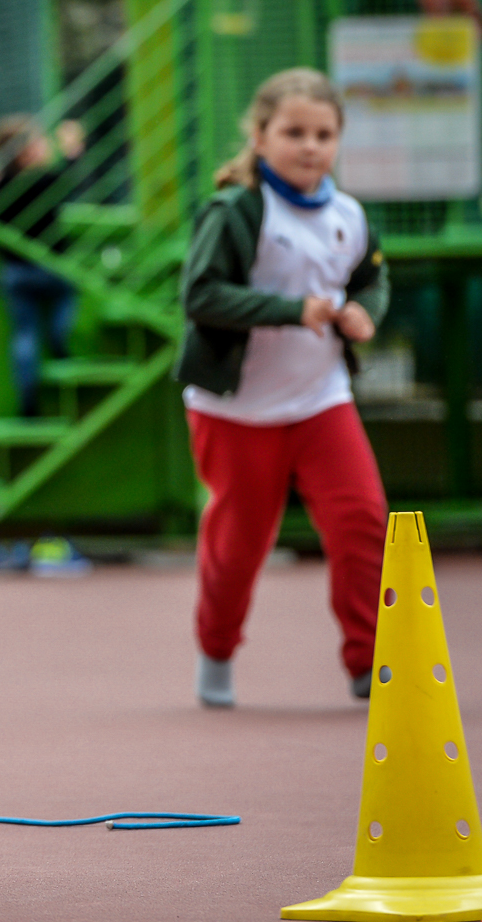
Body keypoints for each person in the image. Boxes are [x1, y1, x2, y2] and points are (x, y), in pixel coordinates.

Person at [174, 68, 390, 709]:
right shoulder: (237, 210)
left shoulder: (348, 214)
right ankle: (215, 651)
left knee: (363, 521)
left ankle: (368, 664)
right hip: (237, 410)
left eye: (324, 134)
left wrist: (363, 312)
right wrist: (292, 309)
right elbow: (202, 295)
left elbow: (372, 276)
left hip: (322, 399)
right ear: (261, 136)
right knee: (239, 545)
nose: (309, 146)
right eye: (293, 132)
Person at [0, 115, 85, 418]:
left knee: (24, 335)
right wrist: (73, 150)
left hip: (15, 271)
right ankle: (59, 341)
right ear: (26, 151)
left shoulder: (1, 184)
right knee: (68, 292)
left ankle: (28, 401)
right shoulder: (43, 179)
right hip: (51, 266)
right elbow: (70, 177)